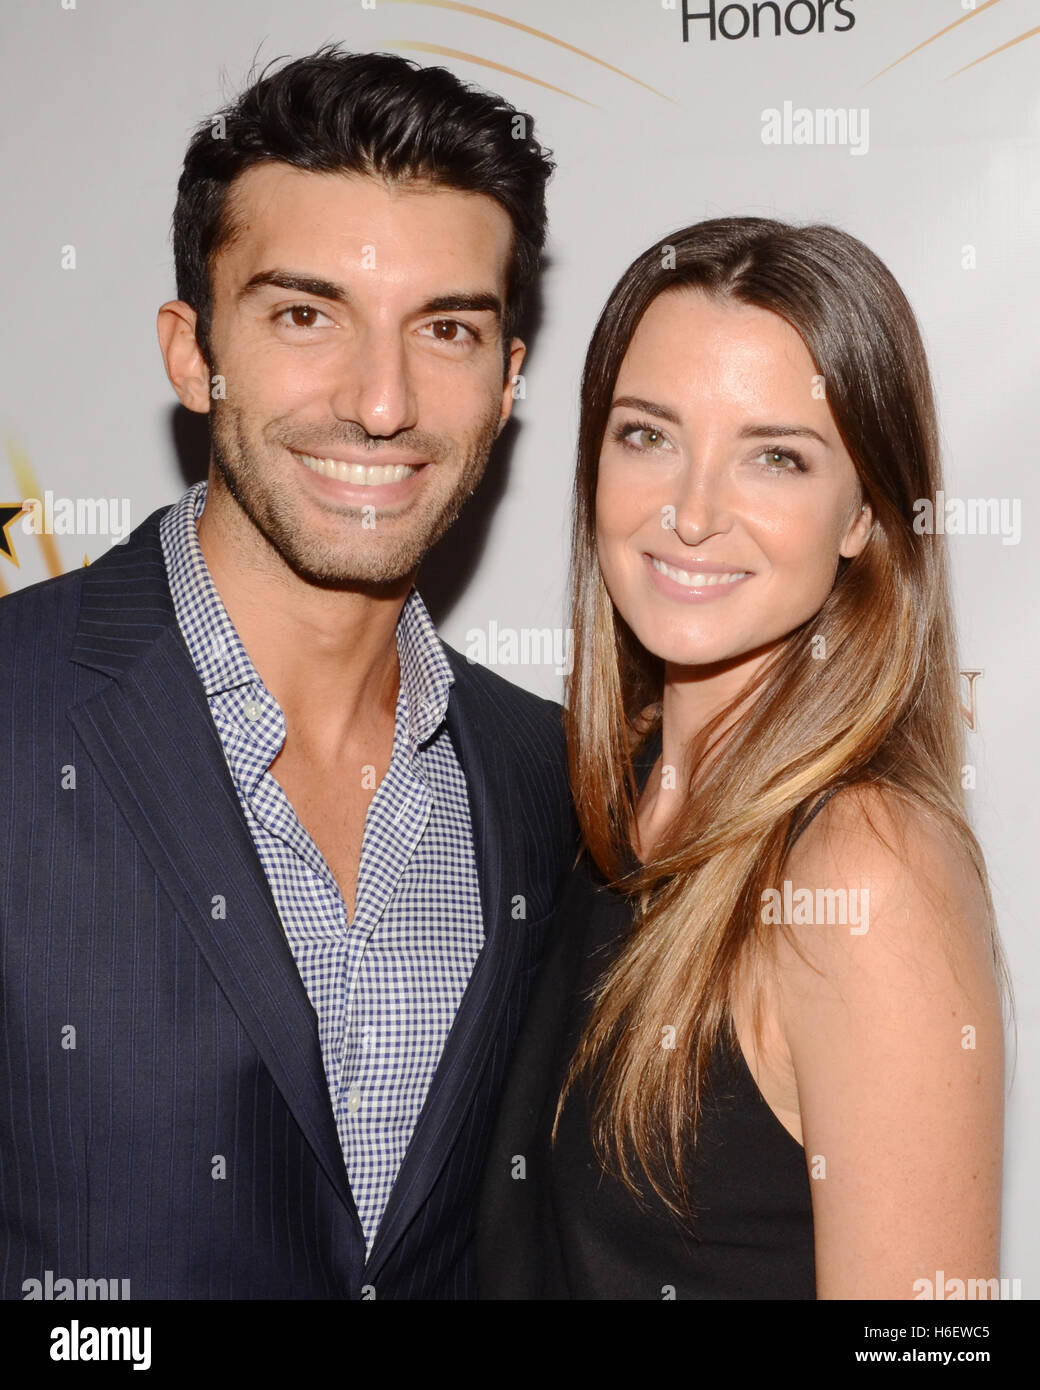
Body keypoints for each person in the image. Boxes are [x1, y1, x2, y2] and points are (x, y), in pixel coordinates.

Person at [0, 46, 575, 1301]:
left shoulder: (551, 780)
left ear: (509, 379)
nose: (380, 402)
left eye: (446, 328)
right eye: (304, 315)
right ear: (191, 350)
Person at [478, 217, 1009, 1300]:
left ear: (864, 511)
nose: (691, 511)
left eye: (774, 454)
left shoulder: (860, 868)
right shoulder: (586, 804)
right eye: (646, 435)